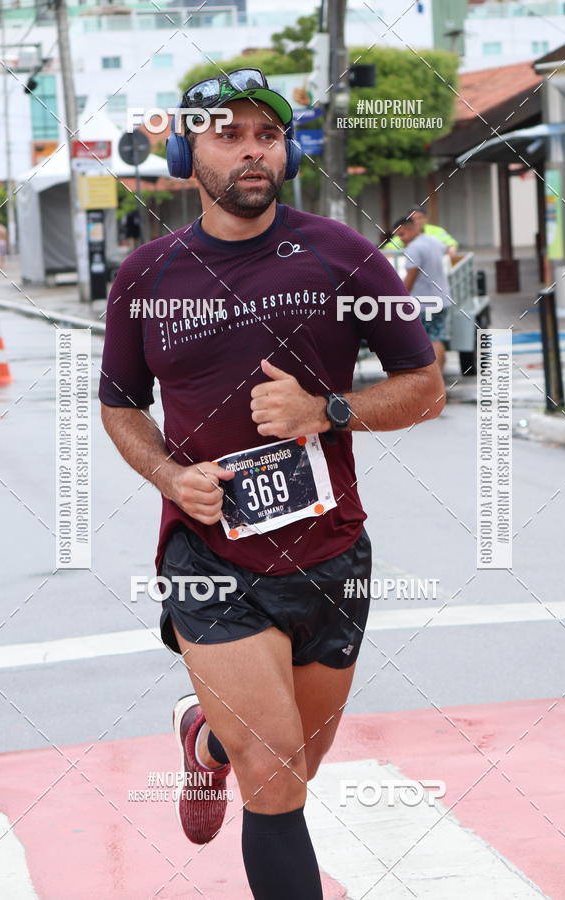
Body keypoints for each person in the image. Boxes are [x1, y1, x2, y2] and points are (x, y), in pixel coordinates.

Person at [99, 67, 444, 899]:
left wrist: (327, 409)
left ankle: (205, 743)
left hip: (329, 554)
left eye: (267, 136)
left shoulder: (343, 254)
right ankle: (233, 748)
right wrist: (169, 476)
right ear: (187, 153)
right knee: (277, 772)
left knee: (298, 760)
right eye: (229, 135)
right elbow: (119, 405)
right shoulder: (146, 277)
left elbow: (426, 389)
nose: (253, 151)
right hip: (210, 557)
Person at [390, 214, 452, 372]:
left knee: (427, 342)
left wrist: (399, 300)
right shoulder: (434, 241)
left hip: (423, 303)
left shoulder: (414, 248)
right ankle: (440, 377)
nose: (401, 239)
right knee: (437, 339)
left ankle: (433, 379)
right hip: (442, 299)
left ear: (411, 228)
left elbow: (410, 278)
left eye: (402, 234)